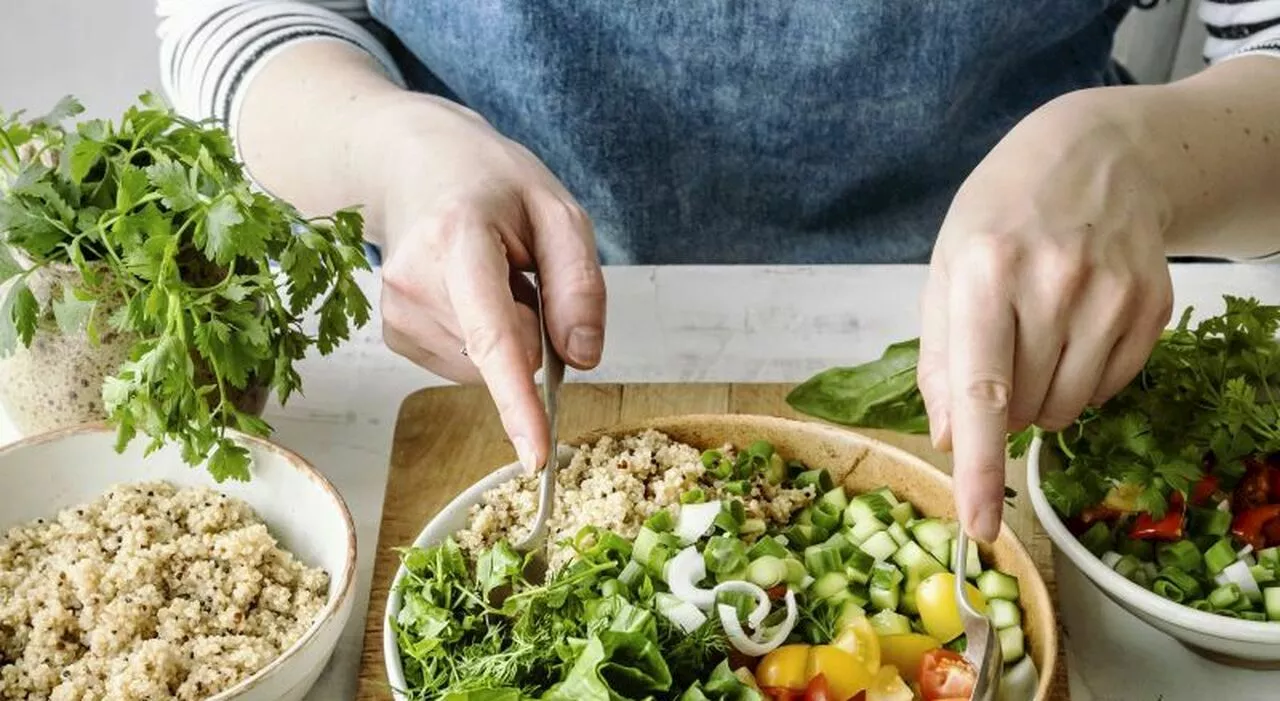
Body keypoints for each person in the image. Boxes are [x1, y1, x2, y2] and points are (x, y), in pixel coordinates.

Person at [155, 1, 1280, 541]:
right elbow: (239, 19)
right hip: (466, 299)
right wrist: (383, 155)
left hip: (1018, 325)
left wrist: (1137, 155)